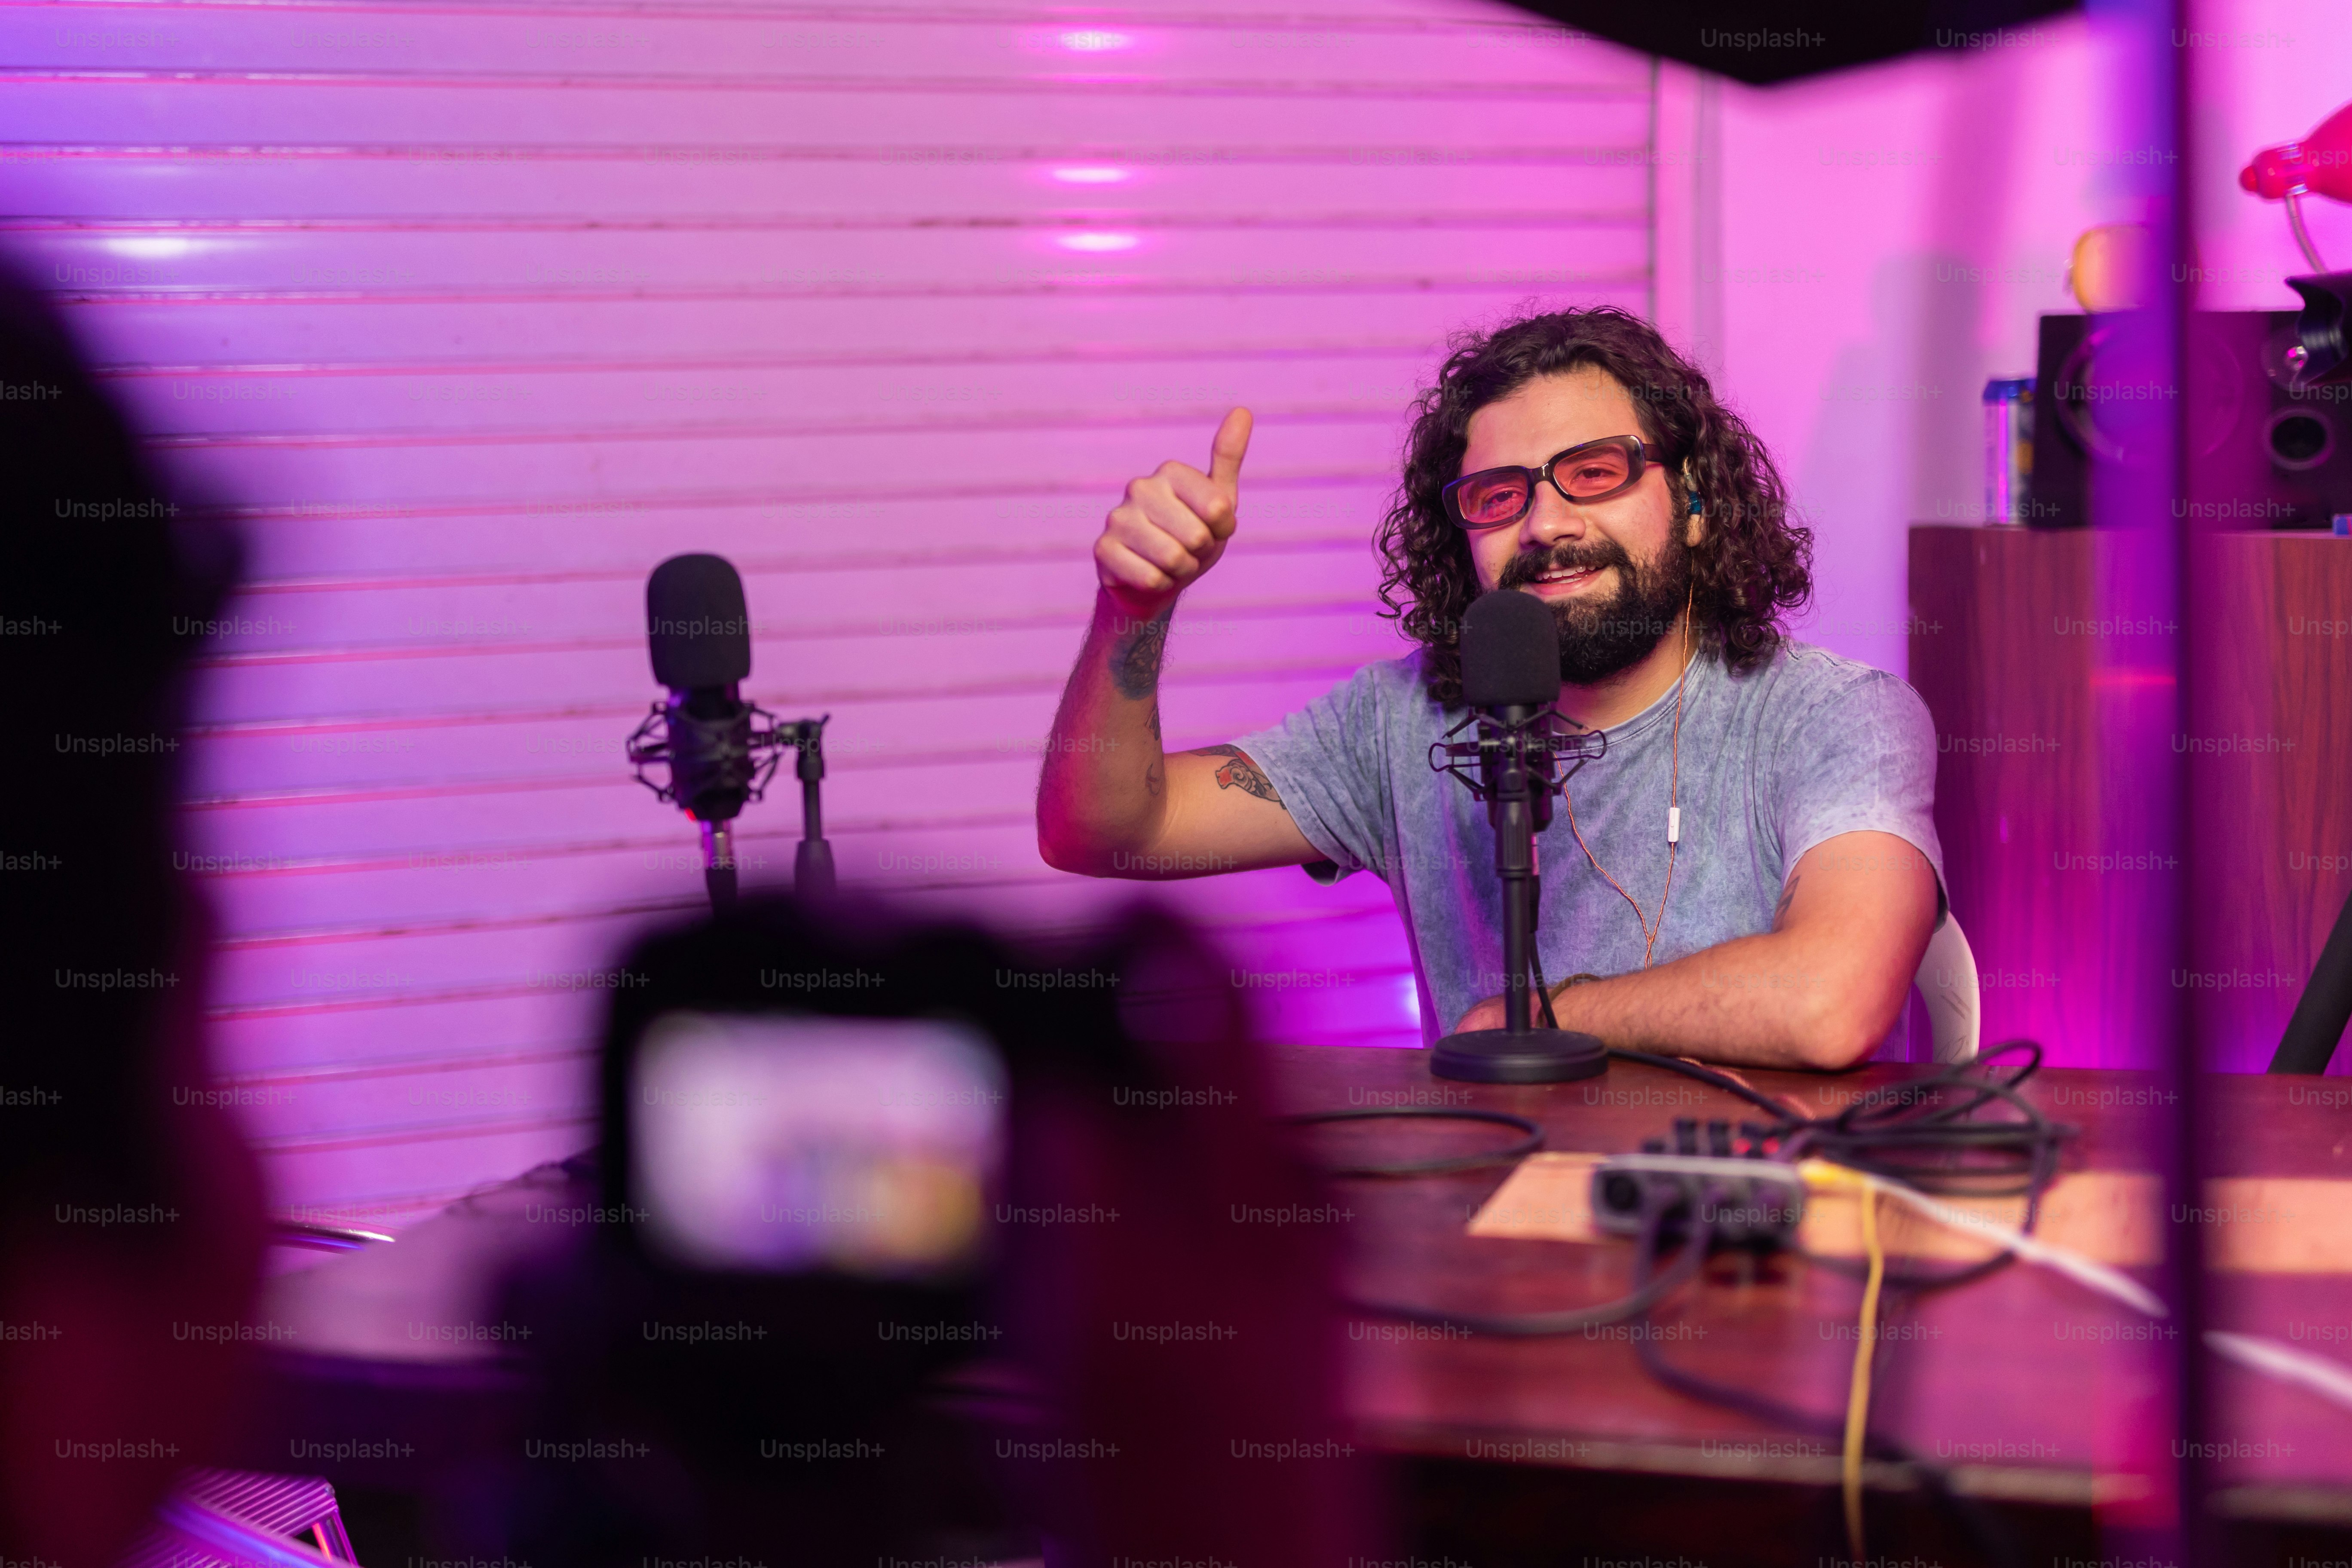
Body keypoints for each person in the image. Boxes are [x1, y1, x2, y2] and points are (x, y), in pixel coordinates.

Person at [1036, 306, 1943, 1071]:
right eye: (1498, 497)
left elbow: (1834, 999)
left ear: (1698, 503)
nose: (1547, 523)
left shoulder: (1831, 717)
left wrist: (1540, 1021)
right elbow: (1108, 835)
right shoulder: (1402, 723)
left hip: (1759, 1236)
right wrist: (1135, 608)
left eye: (1596, 474)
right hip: (1502, 1239)